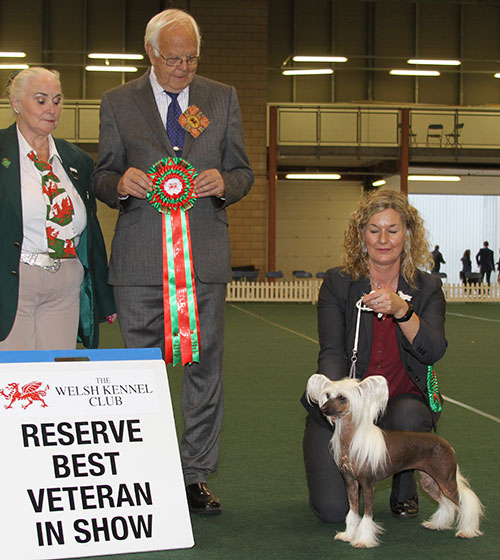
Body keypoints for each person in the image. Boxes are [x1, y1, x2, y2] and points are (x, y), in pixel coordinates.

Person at [93, 9, 254, 515]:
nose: (183, 68)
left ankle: (194, 477)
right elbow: (101, 174)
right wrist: (117, 185)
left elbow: (243, 170)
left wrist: (227, 184)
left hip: (202, 261)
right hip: (139, 263)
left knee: (204, 372)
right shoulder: (118, 102)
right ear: (151, 54)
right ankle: (144, 471)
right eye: (173, 59)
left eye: (191, 58)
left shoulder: (221, 97)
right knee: (140, 375)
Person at [302, 189, 447, 523]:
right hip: (348, 408)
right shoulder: (339, 282)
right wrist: (341, 403)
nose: (383, 239)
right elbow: (332, 352)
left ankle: (404, 480)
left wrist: (403, 311)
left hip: (400, 407)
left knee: (410, 413)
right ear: (361, 235)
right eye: (373, 229)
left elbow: (433, 350)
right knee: (333, 511)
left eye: (392, 230)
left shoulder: (427, 287)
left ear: (408, 235)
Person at [0, 67, 115, 351]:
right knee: (15, 380)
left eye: (57, 100)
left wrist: (103, 295)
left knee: (56, 373)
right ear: (16, 103)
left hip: (66, 282)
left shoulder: (78, 159)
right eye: (41, 100)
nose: (51, 109)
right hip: (14, 280)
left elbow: (92, 231)